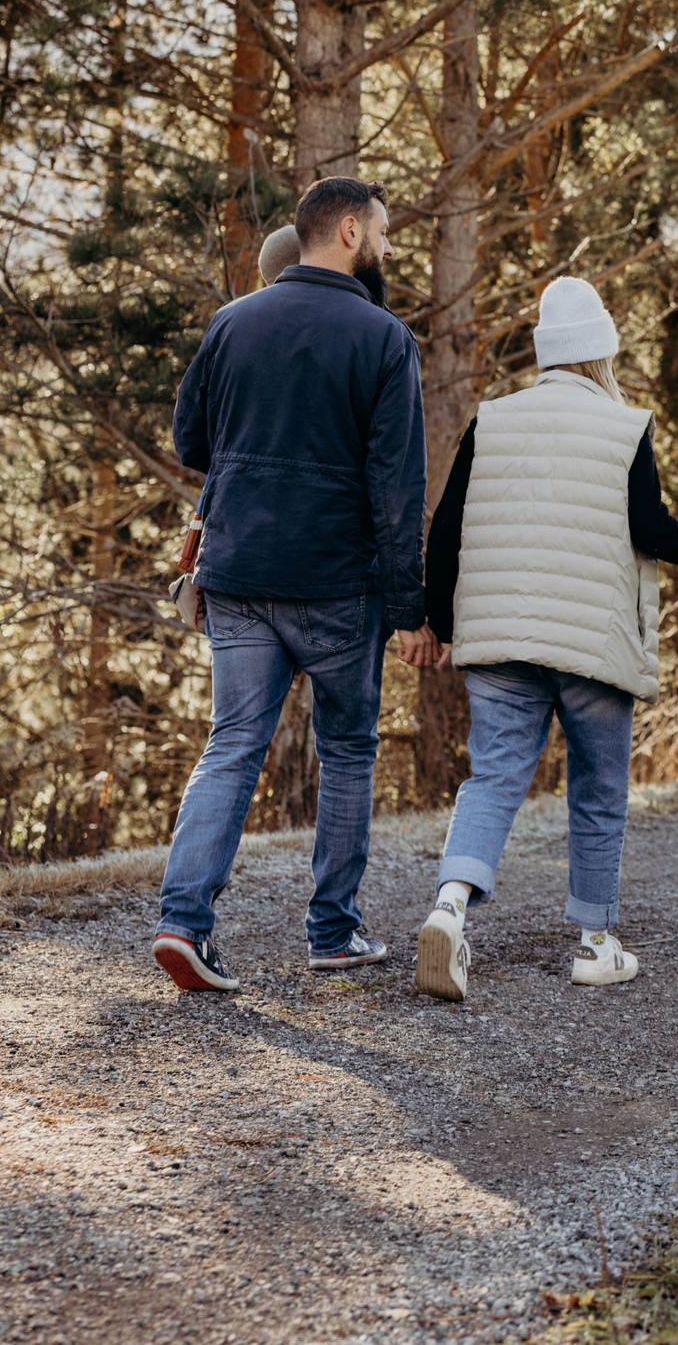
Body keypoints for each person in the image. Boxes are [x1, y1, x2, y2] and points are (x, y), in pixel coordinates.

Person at [153, 177, 441, 993]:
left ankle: (183, 922)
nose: (387, 250)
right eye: (382, 233)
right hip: (336, 584)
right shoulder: (384, 339)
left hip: (239, 573)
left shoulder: (231, 322)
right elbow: (398, 488)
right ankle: (332, 932)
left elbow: (191, 441)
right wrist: (410, 605)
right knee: (347, 749)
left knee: (232, 744)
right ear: (348, 231)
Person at [415, 277, 678, 1001]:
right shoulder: (624, 426)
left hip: (498, 640)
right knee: (597, 789)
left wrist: (440, 620)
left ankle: (449, 907)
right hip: (590, 644)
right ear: (601, 355)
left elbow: (446, 529)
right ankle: (595, 942)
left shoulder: (492, 418)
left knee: (493, 779)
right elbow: (651, 530)